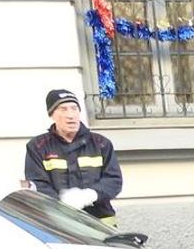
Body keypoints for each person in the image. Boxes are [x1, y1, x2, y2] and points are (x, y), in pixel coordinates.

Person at [24, 90, 123, 225]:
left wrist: (90, 195)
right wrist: (61, 203)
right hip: (60, 223)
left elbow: (114, 180)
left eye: (74, 108)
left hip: (101, 222)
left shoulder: (101, 144)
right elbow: (37, 184)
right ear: (52, 115)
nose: (70, 115)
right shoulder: (38, 147)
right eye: (63, 109)